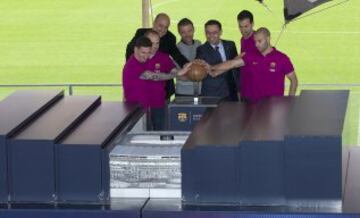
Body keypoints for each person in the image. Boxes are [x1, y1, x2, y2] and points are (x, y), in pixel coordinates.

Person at [210, 27, 298, 103]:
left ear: (268, 39)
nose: (256, 45)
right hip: (252, 106)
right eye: (255, 42)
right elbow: (232, 64)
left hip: (274, 107)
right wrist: (212, 67)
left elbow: (294, 80)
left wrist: (289, 101)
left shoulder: (282, 58)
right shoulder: (251, 55)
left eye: (260, 41)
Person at [123, 35, 190, 130]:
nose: (146, 56)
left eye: (148, 53)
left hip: (146, 108)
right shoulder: (132, 65)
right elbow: (154, 77)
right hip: (135, 110)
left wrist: (182, 71)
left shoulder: (144, 61)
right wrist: (177, 74)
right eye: (143, 52)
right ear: (135, 49)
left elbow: (169, 69)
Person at [125, 13, 189, 99]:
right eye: (160, 26)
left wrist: (186, 64)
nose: (163, 30)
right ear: (154, 23)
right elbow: (130, 50)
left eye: (166, 27)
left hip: (163, 89)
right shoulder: (141, 33)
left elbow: (176, 54)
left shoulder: (170, 38)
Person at [196, 19, 239, 101]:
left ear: (221, 32)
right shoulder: (201, 50)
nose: (211, 36)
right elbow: (200, 71)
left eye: (215, 32)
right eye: (208, 33)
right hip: (212, 95)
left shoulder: (230, 45)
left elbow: (236, 69)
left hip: (231, 93)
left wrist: (239, 89)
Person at [175, 18, 202, 96]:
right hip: (183, 92)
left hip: (199, 91)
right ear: (179, 33)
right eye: (183, 32)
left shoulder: (199, 44)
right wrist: (196, 76)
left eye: (189, 31)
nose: (187, 35)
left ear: (194, 29)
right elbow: (177, 74)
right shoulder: (176, 49)